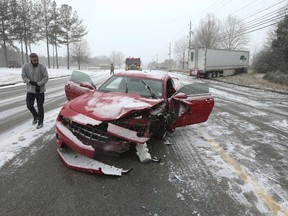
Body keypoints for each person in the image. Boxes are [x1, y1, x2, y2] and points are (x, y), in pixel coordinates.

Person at [22, 53, 49, 129]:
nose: (36, 62)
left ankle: (40, 122)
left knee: (40, 106)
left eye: (37, 60)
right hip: (30, 90)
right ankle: (36, 116)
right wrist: (30, 82)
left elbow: (46, 77)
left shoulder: (42, 67)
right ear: (30, 59)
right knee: (29, 105)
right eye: (34, 60)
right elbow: (23, 76)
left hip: (40, 91)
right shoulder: (26, 67)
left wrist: (39, 84)